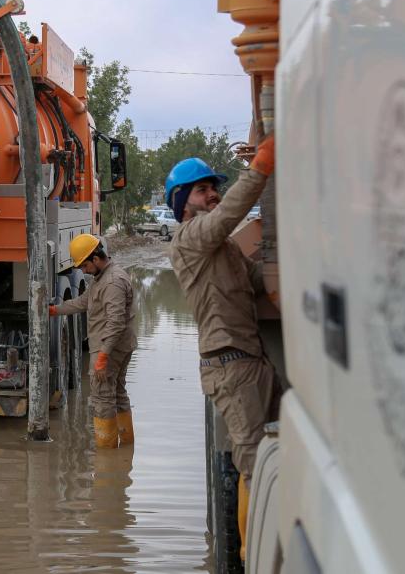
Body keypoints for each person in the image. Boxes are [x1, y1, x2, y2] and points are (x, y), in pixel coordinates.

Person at [165, 135, 278, 552]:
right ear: (182, 202)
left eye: (214, 187)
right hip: (229, 368)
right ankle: (252, 557)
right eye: (202, 189)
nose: (213, 194)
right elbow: (231, 212)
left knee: (272, 464)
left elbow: (260, 282)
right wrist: (261, 166)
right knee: (255, 469)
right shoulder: (191, 238)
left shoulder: (223, 248)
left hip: (252, 363)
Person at [51, 234, 138, 449]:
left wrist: (103, 356)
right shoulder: (103, 278)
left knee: (102, 398)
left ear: (96, 259)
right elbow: (83, 302)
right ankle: (126, 448)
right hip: (117, 346)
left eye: (85, 265)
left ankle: (107, 457)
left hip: (110, 348)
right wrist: (55, 310)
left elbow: (116, 322)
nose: (83, 270)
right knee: (117, 393)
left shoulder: (112, 283)